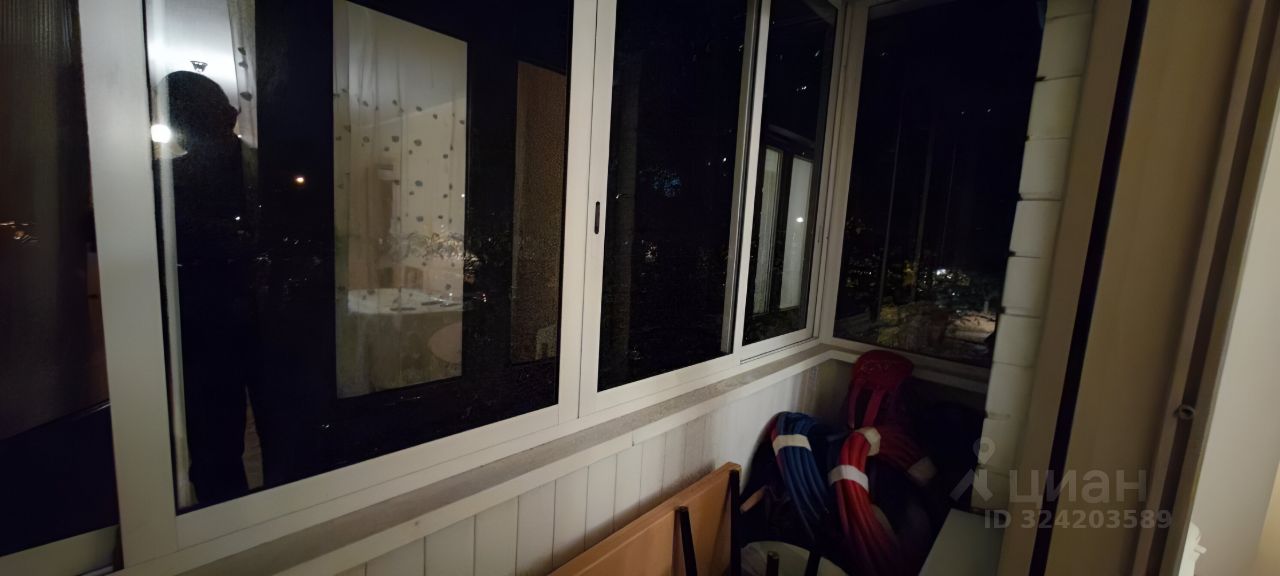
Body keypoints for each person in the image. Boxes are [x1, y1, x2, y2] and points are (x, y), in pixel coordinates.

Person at [159, 71, 262, 504]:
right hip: (222, 321)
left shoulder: (171, 178)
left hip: (217, 320)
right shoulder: (259, 168)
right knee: (221, 443)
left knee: (217, 444)